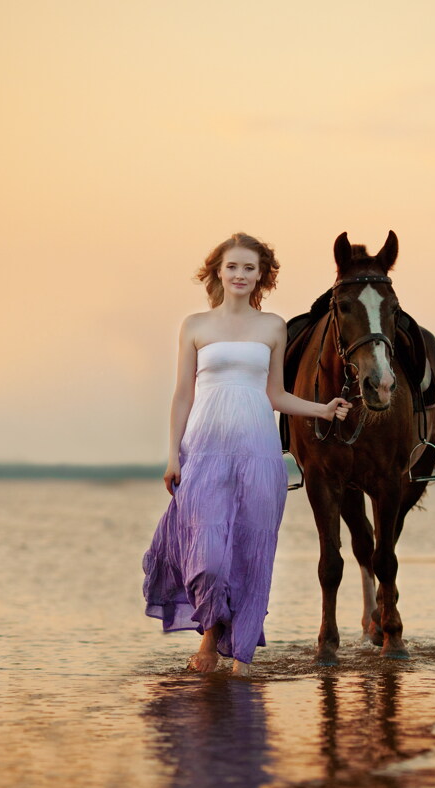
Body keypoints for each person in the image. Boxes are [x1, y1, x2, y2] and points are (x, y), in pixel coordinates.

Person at [142, 233, 351, 676]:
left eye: (249, 268)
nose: (240, 275)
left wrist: (322, 410)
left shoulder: (272, 326)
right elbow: (183, 394)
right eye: (233, 266)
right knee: (208, 558)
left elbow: (275, 395)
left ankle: (239, 657)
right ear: (218, 270)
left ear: (262, 276)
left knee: (253, 552)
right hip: (204, 450)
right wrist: (173, 455)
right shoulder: (195, 325)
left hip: (259, 453)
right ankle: (209, 635)